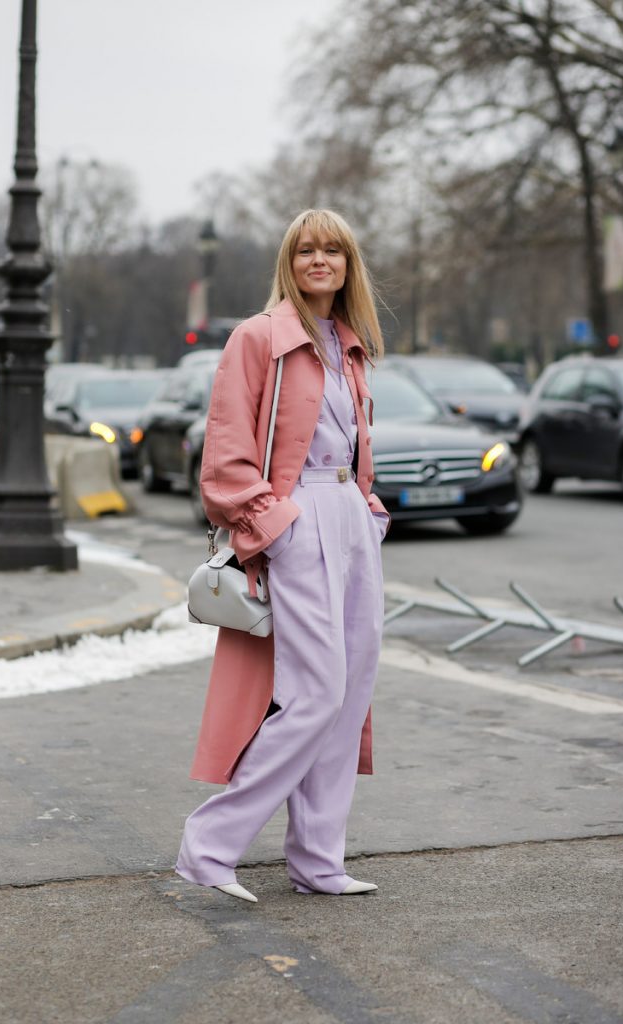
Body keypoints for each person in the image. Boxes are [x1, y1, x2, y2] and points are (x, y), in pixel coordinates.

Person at [176, 208, 389, 902]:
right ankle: (208, 848)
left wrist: (371, 509)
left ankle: (318, 859)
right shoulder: (260, 337)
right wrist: (275, 524)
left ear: (348, 265)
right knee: (314, 693)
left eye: (332, 250)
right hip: (296, 520)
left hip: (350, 521)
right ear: (288, 263)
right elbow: (227, 447)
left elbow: (352, 447)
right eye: (306, 250)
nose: (319, 260)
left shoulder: (347, 342)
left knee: (349, 691)